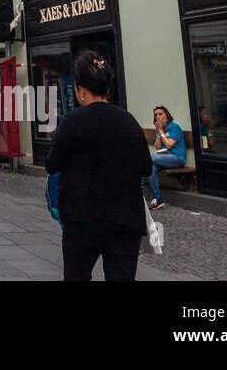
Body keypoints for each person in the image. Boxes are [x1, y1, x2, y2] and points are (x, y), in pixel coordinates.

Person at [43, 52, 152, 281]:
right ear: (107, 87)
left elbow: (52, 165)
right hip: (125, 218)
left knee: (77, 276)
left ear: (80, 89)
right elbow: (146, 169)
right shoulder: (129, 121)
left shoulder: (73, 121)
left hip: (82, 216)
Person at [147, 105, 187, 209]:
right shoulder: (161, 129)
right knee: (151, 169)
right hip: (165, 158)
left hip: (177, 158)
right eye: (156, 115)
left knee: (149, 157)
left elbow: (169, 145)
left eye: (161, 114)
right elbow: (157, 147)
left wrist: (161, 131)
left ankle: (139, 182)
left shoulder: (175, 127)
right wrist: (158, 132)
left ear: (167, 115)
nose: (158, 116)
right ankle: (158, 199)